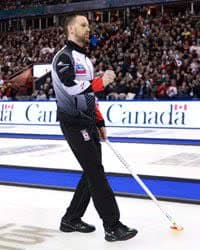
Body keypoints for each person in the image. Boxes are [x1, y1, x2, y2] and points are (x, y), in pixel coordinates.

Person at [51, 14, 138, 242]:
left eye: (88, 25)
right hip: (72, 121)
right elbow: (71, 87)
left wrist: (99, 121)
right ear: (71, 29)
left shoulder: (86, 60)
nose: (88, 28)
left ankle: (71, 218)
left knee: (92, 170)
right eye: (83, 25)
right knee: (95, 172)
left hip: (88, 120)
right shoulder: (64, 57)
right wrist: (101, 82)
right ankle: (112, 225)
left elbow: (89, 96)